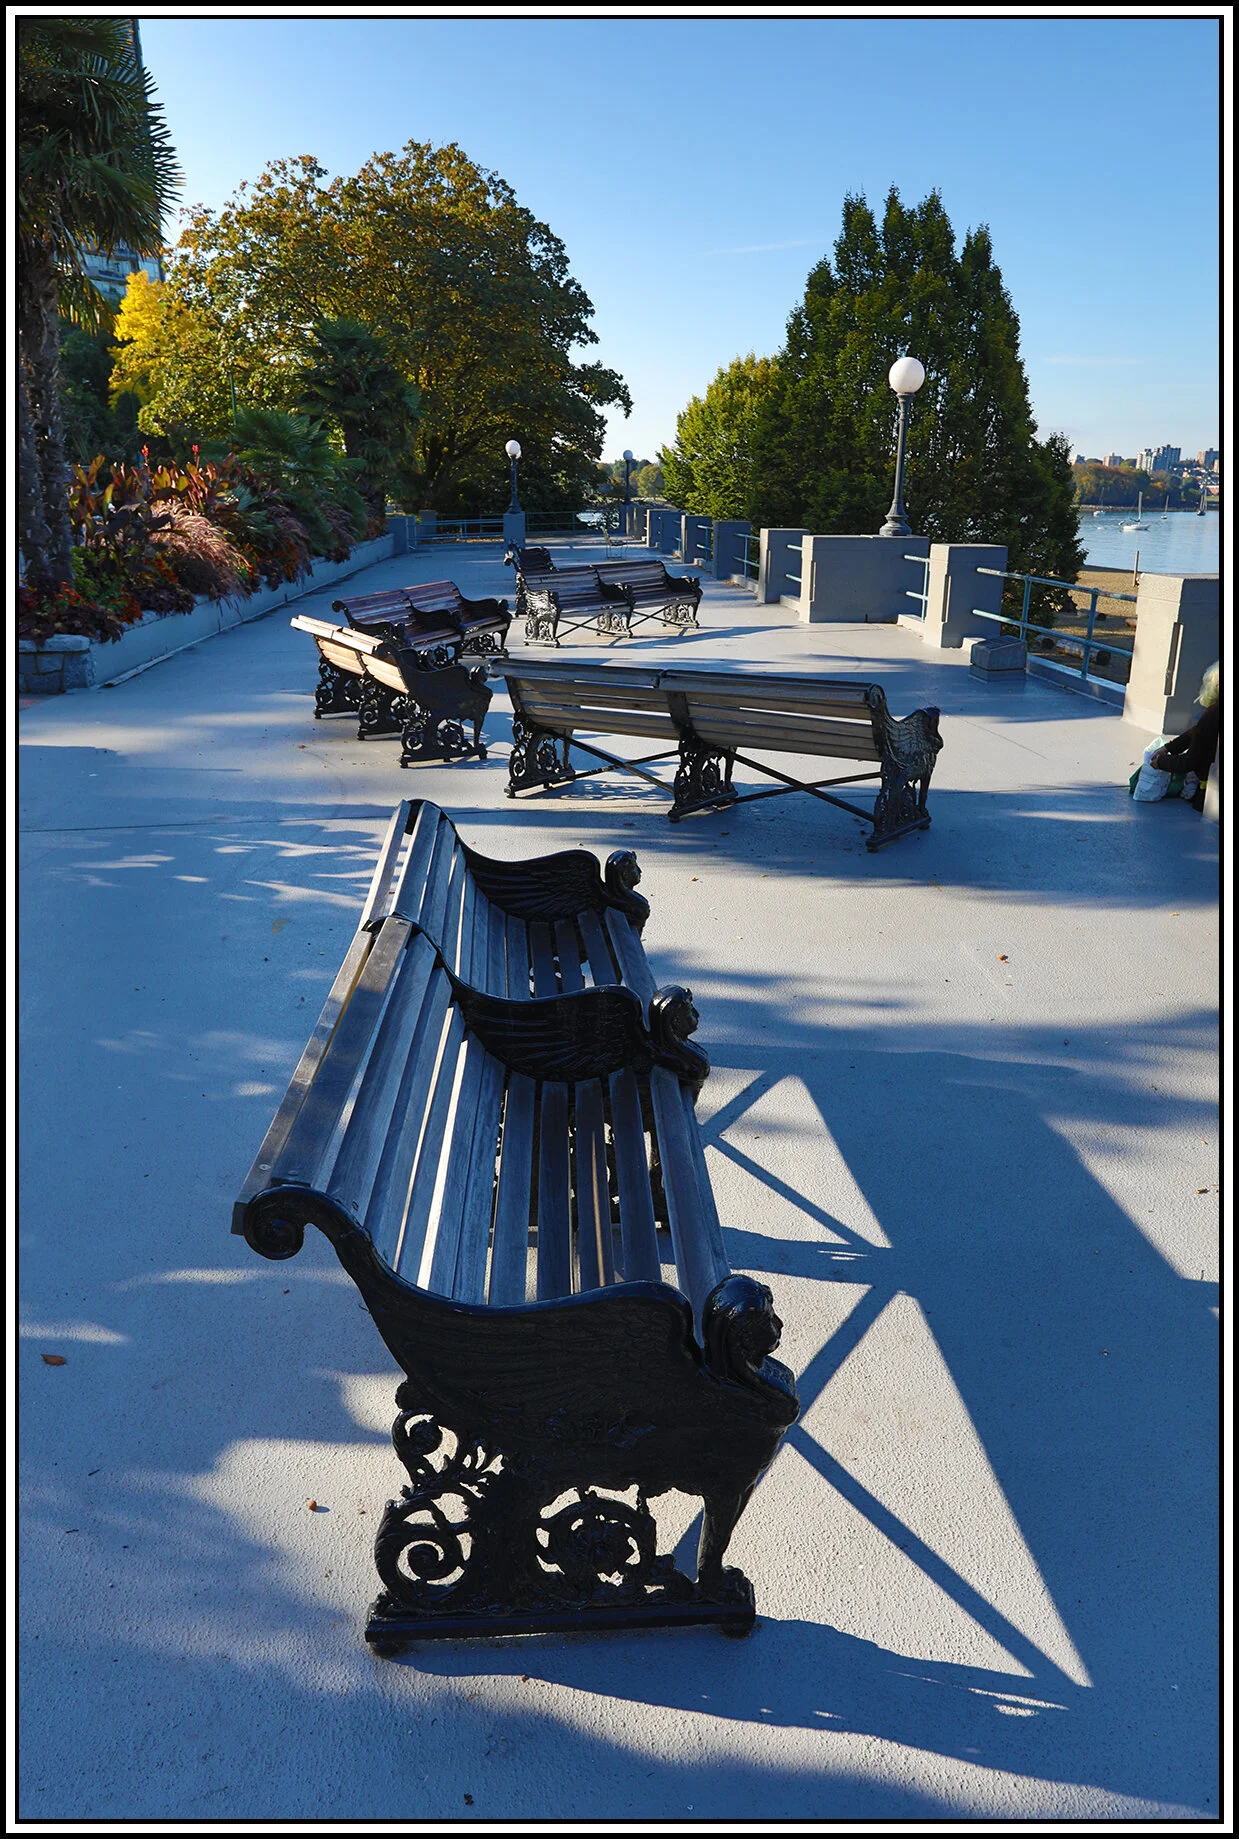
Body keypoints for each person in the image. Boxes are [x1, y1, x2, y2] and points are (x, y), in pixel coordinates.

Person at [1151, 662, 1220, 810]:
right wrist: (1169, 747)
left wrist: (1161, 762)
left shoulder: (1213, 714)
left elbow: (1191, 761)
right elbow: (1198, 732)